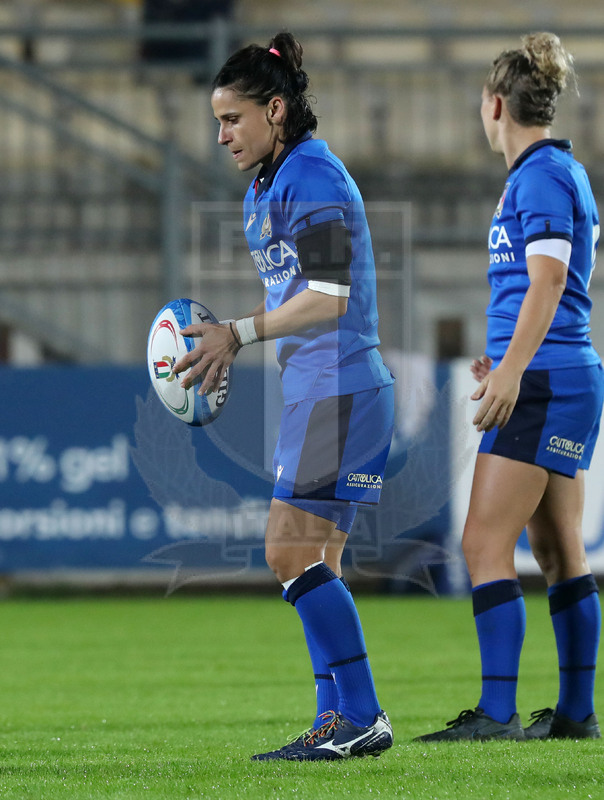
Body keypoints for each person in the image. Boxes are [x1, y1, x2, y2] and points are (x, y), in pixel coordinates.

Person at [172, 31, 395, 760]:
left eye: (232, 118)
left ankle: (362, 715)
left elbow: (330, 295)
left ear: (276, 110)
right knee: (315, 562)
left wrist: (236, 333)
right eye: (216, 121)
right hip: (321, 391)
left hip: (341, 388)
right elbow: (301, 293)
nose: (221, 134)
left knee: (284, 551)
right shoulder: (265, 190)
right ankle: (337, 723)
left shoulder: (315, 176)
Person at [415, 32, 603, 743]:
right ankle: (577, 714)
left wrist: (517, 368)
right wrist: (508, 357)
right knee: (559, 554)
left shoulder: (541, 176)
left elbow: (552, 280)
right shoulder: (557, 173)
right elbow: (552, 284)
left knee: (481, 544)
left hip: (546, 379)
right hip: (557, 372)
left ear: (495, 105)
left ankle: (497, 715)